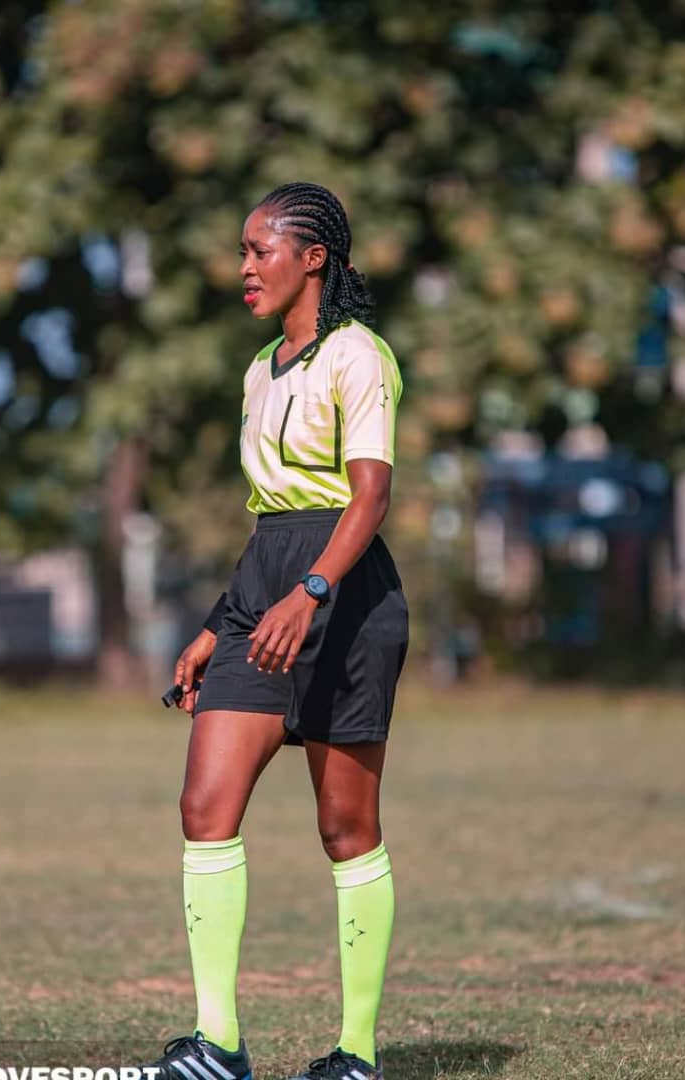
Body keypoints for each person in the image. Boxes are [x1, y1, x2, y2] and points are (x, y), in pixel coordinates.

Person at [142, 182, 408, 1080]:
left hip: (347, 593)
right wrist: (222, 625)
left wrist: (313, 591)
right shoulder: (260, 369)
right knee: (204, 808)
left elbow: (368, 495)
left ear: (313, 258)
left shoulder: (359, 356)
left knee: (345, 829)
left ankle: (356, 1054)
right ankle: (217, 1044)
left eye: (260, 250)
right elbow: (269, 520)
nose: (244, 267)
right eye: (243, 250)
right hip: (266, 586)